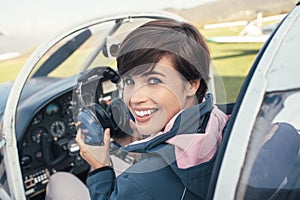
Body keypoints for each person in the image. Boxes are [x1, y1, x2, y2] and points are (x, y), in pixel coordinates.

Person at [47, 18, 229, 200]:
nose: (135, 98)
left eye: (154, 81)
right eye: (129, 81)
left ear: (191, 85)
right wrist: (146, 142)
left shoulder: (139, 182)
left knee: (59, 181)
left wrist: (100, 167)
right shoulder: (224, 119)